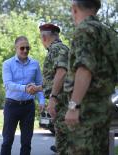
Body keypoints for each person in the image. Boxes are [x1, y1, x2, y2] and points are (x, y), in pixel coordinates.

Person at [64, 0, 118, 154]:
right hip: (103, 110)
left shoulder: (85, 30)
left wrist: (74, 106)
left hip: (85, 112)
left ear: (74, 9)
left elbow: (85, 68)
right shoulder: (108, 33)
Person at [1, 36, 44, 155]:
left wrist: (41, 101)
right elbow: (8, 84)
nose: (25, 50)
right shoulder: (7, 64)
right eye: (22, 48)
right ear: (16, 48)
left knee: (26, 142)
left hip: (28, 107)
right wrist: (25, 88)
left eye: (28, 48)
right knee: (7, 140)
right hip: (11, 106)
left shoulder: (35, 64)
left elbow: (40, 84)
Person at [39, 23, 69, 154]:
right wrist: (39, 87)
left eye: (41, 38)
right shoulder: (58, 49)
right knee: (62, 144)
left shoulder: (57, 49)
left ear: (44, 37)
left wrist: (53, 98)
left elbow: (61, 73)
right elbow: (54, 78)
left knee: (65, 145)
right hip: (62, 102)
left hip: (63, 103)